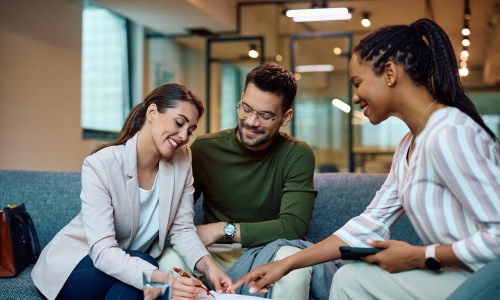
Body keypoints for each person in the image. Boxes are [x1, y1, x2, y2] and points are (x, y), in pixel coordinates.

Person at [230, 18, 500, 299]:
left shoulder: (450, 132)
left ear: (390, 73)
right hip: (458, 274)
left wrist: (421, 256)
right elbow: (369, 223)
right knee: (350, 277)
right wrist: (284, 264)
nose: (356, 97)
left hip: (488, 278)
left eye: (358, 83)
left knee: (352, 281)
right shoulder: (409, 145)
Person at [31, 83, 232, 300]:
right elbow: (103, 252)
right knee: (148, 269)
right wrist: (165, 282)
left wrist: (209, 267)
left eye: (190, 131)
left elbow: (182, 229)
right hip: (77, 267)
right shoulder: (101, 164)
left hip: (129, 269)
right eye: (179, 123)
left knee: (134, 289)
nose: (184, 136)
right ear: (153, 113)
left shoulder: (182, 159)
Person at [158, 63, 335, 300]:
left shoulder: (297, 154)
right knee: (169, 261)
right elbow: (174, 212)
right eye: (246, 108)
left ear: (286, 117)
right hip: (215, 253)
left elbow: (293, 227)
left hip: (270, 250)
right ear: (241, 100)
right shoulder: (204, 148)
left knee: (295, 273)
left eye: (265, 115)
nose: (251, 122)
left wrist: (223, 229)